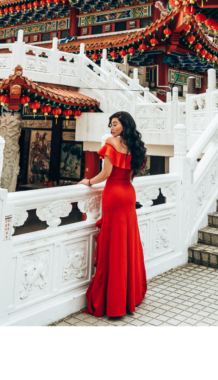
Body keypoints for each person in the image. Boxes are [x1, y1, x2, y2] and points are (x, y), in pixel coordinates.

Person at [80, 111, 150, 317]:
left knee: (114, 245)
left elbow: (106, 173)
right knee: (127, 242)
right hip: (128, 193)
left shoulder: (111, 143)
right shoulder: (135, 146)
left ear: (124, 125)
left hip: (113, 195)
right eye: (110, 125)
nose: (111, 128)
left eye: (115, 124)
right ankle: (130, 295)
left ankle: (114, 301)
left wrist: (89, 181)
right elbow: (131, 172)